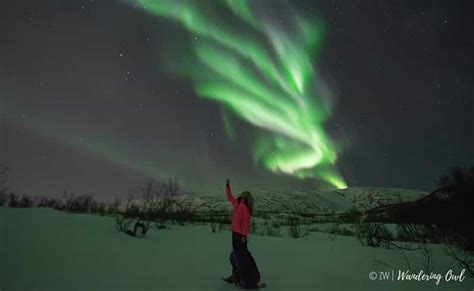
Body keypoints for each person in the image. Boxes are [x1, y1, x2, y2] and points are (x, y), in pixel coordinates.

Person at [223, 178, 261, 288]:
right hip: (235, 234)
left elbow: (246, 223)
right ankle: (237, 276)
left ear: (245, 198)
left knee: (240, 257)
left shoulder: (244, 208)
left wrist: (244, 235)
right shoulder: (237, 204)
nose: (241, 196)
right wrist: (227, 186)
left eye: (243, 196)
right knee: (237, 255)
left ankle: (245, 278)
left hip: (240, 236)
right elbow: (229, 197)